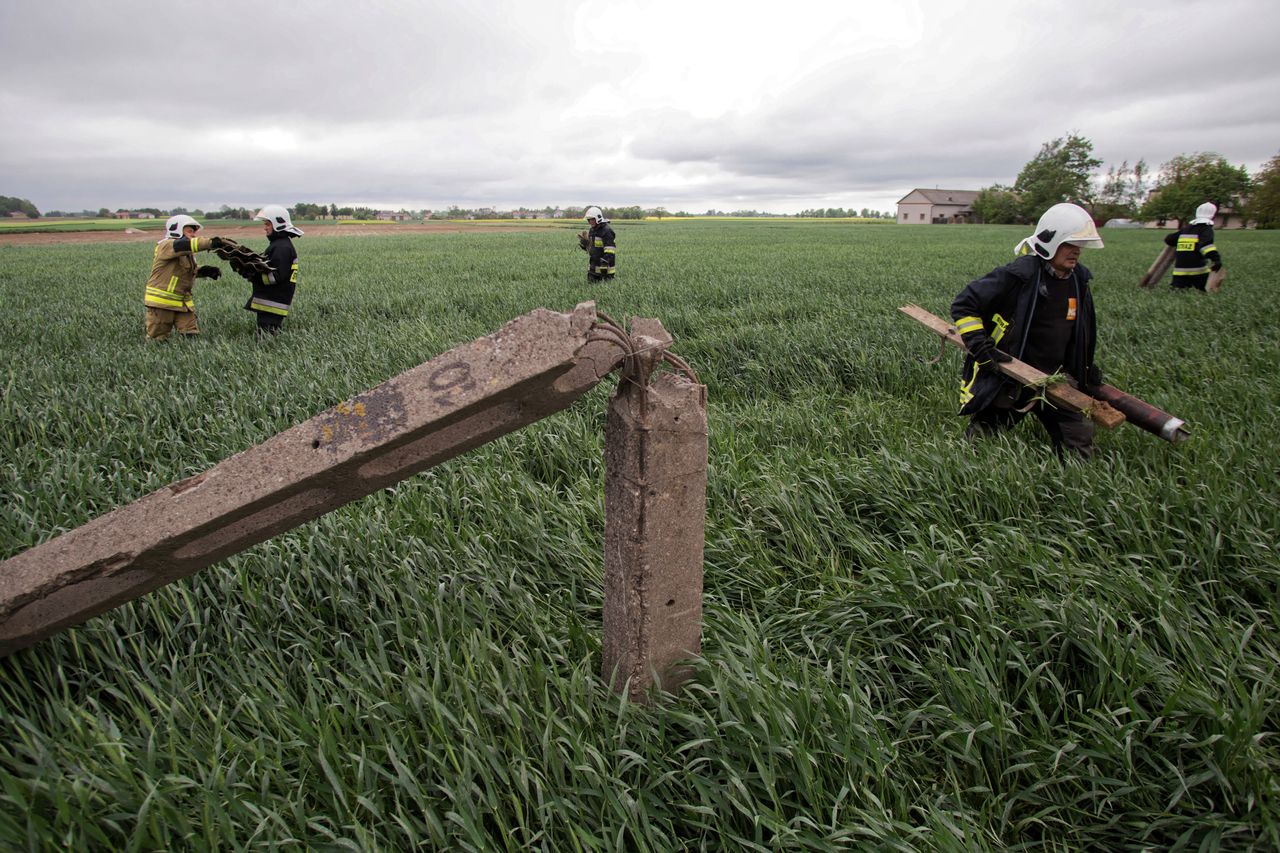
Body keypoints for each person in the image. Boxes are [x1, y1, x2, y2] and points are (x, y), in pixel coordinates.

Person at [950, 202, 1105, 460]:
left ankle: (1075, 485)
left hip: (1057, 377)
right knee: (980, 442)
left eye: (1079, 246)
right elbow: (964, 304)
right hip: (1014, 374)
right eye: (1069, 244)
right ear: (1050, 242)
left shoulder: (1079, 282)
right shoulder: (1017, 276)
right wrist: (980, 346)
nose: (1076, 252)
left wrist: (1085, 367)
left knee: (1078, 440)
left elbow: (1080, 331)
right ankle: (962, 474)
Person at [144, 214, 225, 340]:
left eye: (194, 232)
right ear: (177, 230)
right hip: (162, 303)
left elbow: (185, 271)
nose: (193, 234)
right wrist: (212, 242)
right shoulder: (166, 245)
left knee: (191, 334)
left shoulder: (185, 253)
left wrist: (205, 271)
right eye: (190, 231)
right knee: (158, 338)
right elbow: (188, 244)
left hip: (182, 302)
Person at [245, 204, 303, 335]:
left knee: (267, 339)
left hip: (272, 302)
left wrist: (253, 275)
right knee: (268, 336)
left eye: (267, 224)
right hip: (271, 302)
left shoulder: (281, 247)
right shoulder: (279, 245)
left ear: (278, 224)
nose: (264, 228)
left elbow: (274, 276)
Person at [1163, 202, 1222, 291]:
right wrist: (1216, 259)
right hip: (1198, 271)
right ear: (1213, 216)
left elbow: (1169, 239)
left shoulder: (1186, 229)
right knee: (1203, 290)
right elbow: (1206, 246)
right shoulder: (1206, 229)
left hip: (1180, 271)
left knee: (1177, 290)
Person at [578, 206, 616, 282]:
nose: (590, 222)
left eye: (591, 219)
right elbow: (593, 249)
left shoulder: (607, 231)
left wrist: (604, 265)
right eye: (588, 220)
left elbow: (610, 251)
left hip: (605, 271)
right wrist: (586, 246)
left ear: (598, 218)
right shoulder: (592, 230)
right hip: (593, 269)